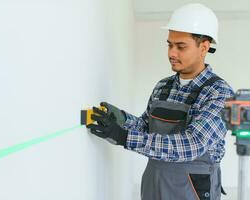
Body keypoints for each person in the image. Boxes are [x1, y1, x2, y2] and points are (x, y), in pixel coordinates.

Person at [87, 3, 234, 200]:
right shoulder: (163, 86)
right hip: (154, 183)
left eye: (181, 46)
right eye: (170, 44)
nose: (172, 53)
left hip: (191, 189)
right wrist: (120, 119)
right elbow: (145, 126)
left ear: (204, 47)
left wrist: (124, 137)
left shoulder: (219, 92)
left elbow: (192, 144)